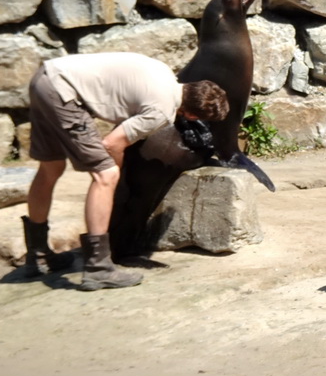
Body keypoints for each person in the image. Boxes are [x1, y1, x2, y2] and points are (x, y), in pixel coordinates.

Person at [23, 52, 229, 291]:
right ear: (192, 115)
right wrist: (115, 172)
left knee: (51, 168)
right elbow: (112, 143)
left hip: (46, 77)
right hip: (63, 93)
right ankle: (98, 268)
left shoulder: (163, 72)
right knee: (106, 176)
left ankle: (38, 256)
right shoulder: (161, 111)